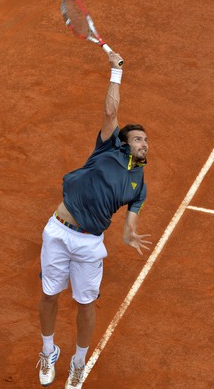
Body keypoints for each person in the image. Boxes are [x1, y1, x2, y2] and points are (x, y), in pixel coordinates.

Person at [37, 51, 151, 389]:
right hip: (58, 230)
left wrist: (130, 234)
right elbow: (110, 111)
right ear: (124, 143)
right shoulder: (107, 148)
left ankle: (78, 362)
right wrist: (115, 73)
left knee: (85, 304)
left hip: (89, 243)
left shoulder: (139, 185)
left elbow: (131, 221)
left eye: (146, 140)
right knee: (49, 295)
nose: (144, 143)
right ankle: (48, 351)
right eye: (138, 138)